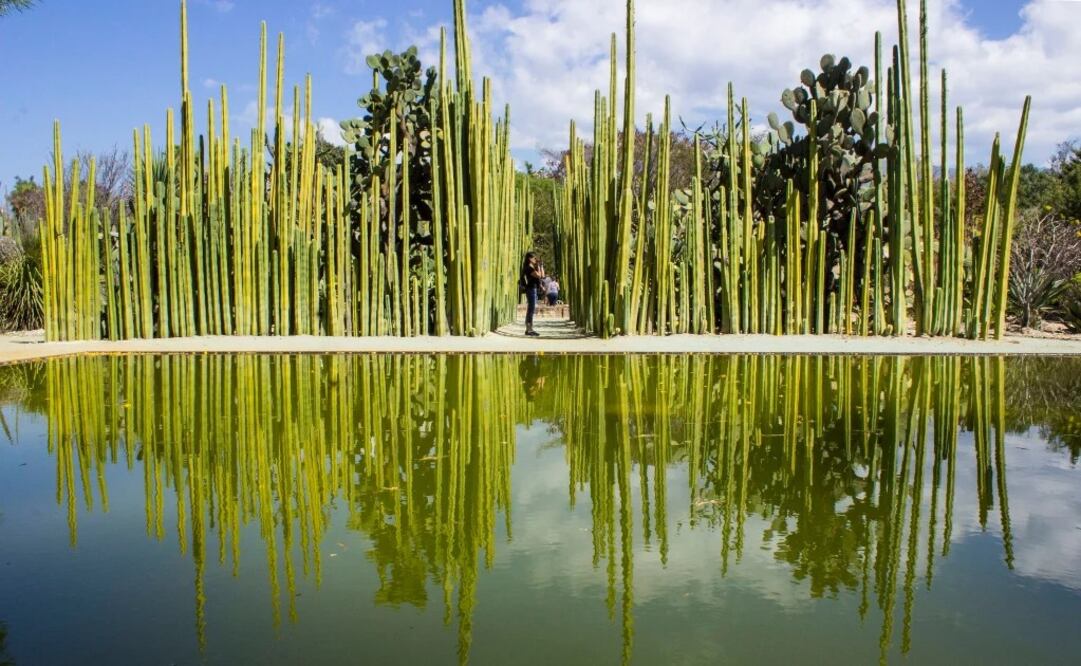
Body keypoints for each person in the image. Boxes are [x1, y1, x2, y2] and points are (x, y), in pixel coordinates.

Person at [519, 252, 545, 337]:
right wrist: (539, 266)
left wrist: (540, 266)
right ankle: (529, 329)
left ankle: (529, 329)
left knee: (531, 309)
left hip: (533, 290)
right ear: (530, 259)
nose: (535, 260)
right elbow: (539, 275)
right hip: (530, 290)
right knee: (531, 309)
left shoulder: (532, 267)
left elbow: (543, 275)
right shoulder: (528, 268)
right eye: (534, 258)